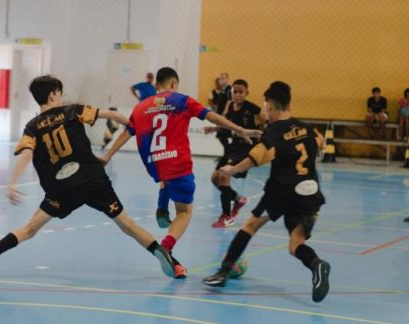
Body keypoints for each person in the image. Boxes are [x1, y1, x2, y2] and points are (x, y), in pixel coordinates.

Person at [0, 75, 182, 278]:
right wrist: (134, 126)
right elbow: (111, 115)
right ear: (53, 95)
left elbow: (26, 153)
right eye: (60, 94)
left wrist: (12, 182)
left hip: (61, 189)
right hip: (92, 179)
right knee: (127, 225)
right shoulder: (73, 110)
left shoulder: (32, 126)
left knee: (29, 229)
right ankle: (170, 260)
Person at [100, 67, 261, 275]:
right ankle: (165, 247)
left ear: (157, 85)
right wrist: (239, 129)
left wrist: (107, 155)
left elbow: (127, 132)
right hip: (179, 164)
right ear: (174, 83)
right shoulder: (181, 100)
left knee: (166, 179)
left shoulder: (141, 108)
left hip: (156, 163)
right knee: (185, 212)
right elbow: (211, 117)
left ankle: (161, 208)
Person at [203, 81, 331, 303]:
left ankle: (223, 272)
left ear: (270, 107)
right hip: (310, 193)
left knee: (250, 226)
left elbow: (257, 156)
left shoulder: (274, 131)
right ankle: (317, 265)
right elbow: (321, 142)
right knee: (296, 243)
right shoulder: (307, 128)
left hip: (282, 190)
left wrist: (232, 169)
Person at [204, 79, 267, 228]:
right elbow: (227, 124)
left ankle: (226, 217)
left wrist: (261, 138)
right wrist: (213, 129)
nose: (237, 94)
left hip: (246, 149)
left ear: (246, 93)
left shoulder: (253, 109)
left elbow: (264, 124)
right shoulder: (230, 106)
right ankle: (238, 199)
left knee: (224, 175)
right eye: (235, 91)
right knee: (214, 179)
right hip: (233, 147)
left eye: (241, 92)